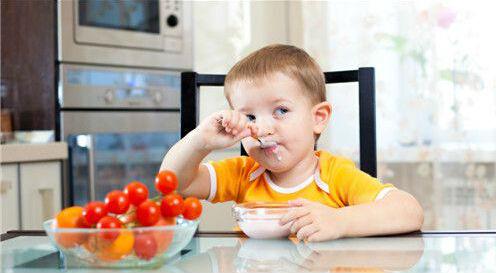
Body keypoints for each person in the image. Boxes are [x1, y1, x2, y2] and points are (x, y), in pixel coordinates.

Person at [160, 44, 423, 242]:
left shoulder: (334, 175)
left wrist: (339, 222)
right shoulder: (244, 173)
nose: (262, 128)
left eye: (281, 111)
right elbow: (172, 183)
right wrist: (200, 141)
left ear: (318, 118)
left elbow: (409, 211)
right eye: (249, 116)